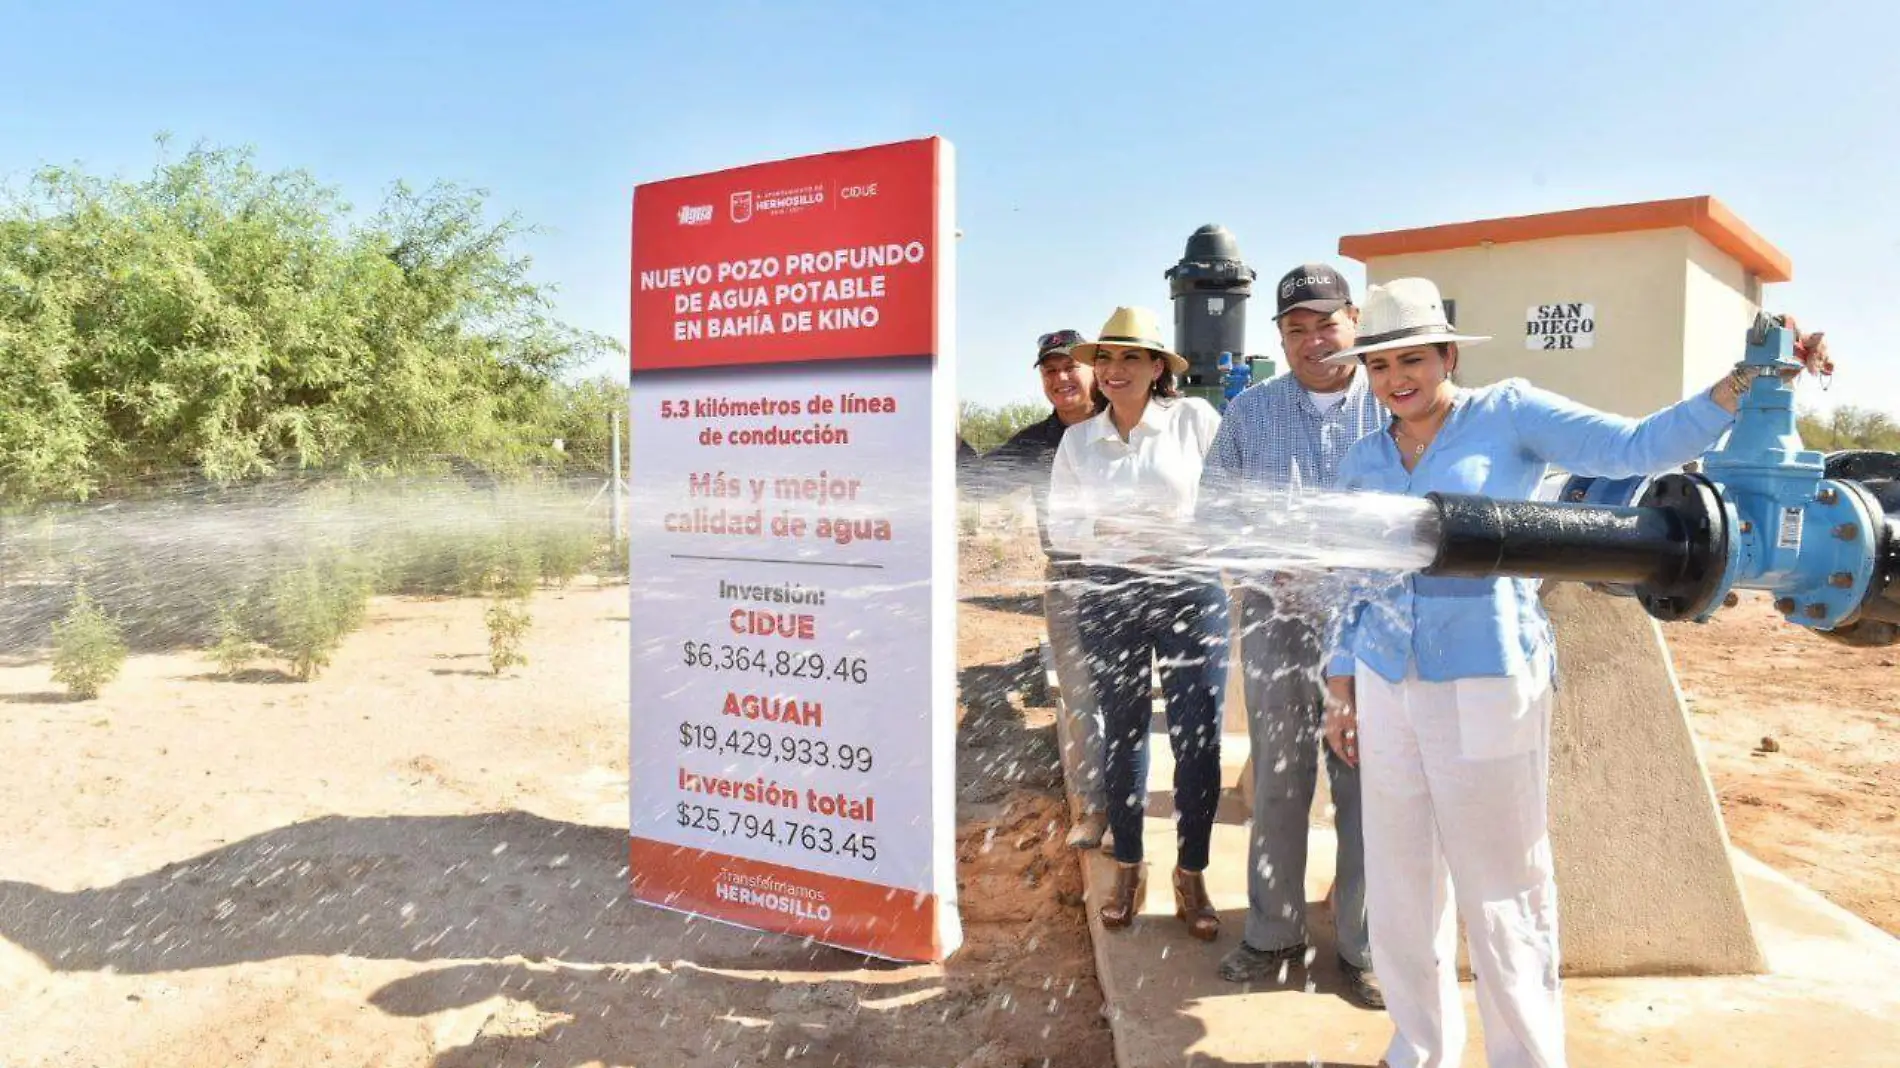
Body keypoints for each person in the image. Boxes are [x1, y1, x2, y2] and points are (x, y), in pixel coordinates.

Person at [1319, 277, 1831, 1068]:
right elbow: (1351, 582)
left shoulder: (1509, 415)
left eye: (1412, 360)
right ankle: (1417, 1049)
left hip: (1488, 682)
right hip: (1389, 682)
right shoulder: (1363, 459)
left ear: (1449, 354)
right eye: (1380, 367)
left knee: (1504, 888)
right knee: (1399, 884)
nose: (1397, 381)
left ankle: (1524, 1057)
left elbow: (1635, 447)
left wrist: (1740, 386)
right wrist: (1341, 687)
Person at [1198, 263, 1388, 1006]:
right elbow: (1214, 517)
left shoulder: (1391, 404)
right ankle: (1272, 932)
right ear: (1279, 338)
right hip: (1277, 622)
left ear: (1355, 320)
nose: (1314, 340)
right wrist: (1265, 567)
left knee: (1366, 783)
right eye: (1296, 328)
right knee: (1279, 781)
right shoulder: (1249, 415)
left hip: (1372, 629)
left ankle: (1364, 946)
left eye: (1326, 322)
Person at [1047, 306, 1229, 939]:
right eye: (1106, 359)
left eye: (1131, 358)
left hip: (1189, 592)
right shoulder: (1078, 442)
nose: (1116, 370)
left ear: (1158, 367)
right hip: (1110, 595)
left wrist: (1172, 536)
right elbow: (1064, 529)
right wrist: (1116, 529)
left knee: (1196, 736)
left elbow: (1229, 504)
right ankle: (1128, 866)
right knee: (1123, 734)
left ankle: (1192, 871)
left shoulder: (1195, 422)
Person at [962, 328, 1113, 848]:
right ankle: (1094, 808)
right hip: (1069, 581)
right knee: (1079, 700)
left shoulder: (1125, 422)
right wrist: (941, 424)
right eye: (1050, 371)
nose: (1061, 378)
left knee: (1130, 699)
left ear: (1093, 368)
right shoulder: (1036, 443)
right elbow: (976, 483)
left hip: (1133, 582)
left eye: (1071, 366)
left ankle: (1136, 806)